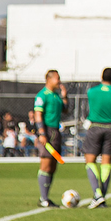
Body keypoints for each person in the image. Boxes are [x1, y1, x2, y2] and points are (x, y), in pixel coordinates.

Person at [83, 68, 111, 207]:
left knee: (90, 161)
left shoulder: (92, 92)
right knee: (106, 163)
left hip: (95, 127)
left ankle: (97, 194)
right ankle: (102, 197)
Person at [35, 70, 68, 207]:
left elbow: (65, 110)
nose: (59, 81)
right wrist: (42, 133)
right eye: (57, 78)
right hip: (47, 131)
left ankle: (46, 197)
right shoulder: (42, 95)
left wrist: (65, 96)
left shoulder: (56, 96)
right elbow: (38, 114)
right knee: (46, 164)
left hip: (56, 132)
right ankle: (43, 198)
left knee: (53, 166)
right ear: (49, 79)